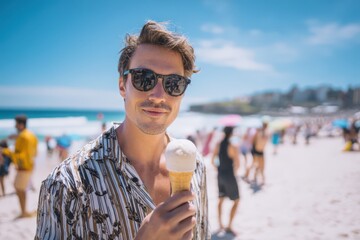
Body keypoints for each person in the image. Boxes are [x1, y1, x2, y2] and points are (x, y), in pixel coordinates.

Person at [35, 21, 209, 239]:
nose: (158, 95)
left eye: (174, 83)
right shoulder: (66, 184)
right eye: (143, 78)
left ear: (182, 93)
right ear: (121, 85)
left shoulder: (196, 167)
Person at [0, 115, 38, 218]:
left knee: (19, 188)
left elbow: (22, 155)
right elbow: (33, 152)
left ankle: (24, 212)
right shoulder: (30, 135)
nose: (15, 126)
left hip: (24, 167)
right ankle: (24, 211)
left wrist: (5, 151)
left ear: (21, 125)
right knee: (19, 188)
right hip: (28, 165)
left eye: (16, 124)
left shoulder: (23, 136)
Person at [211, 126, 240, 236]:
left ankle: (220, 224)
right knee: (236, 200)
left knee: (221, 199)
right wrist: (234, 173)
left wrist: (218, 169)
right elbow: (237, 163)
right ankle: (229, 226)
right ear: (231, 134)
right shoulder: (233, 146)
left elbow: (213, 160)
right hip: (229, 175)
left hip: (220, 174)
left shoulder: (218, 144)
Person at [243, 121, 269, 185]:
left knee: (260, 166)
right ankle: (247, 176)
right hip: (256, 151)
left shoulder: (265, 132)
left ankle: (258, 178)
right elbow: (252, 141)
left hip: (260, 151)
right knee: (254, 165)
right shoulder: (258, 132)